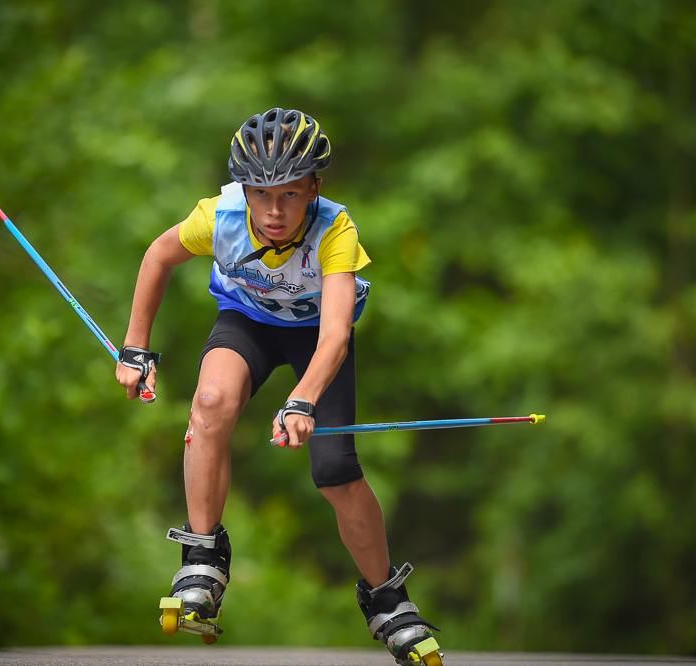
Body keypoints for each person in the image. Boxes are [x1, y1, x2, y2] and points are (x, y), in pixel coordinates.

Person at [116, 108, 443, 666]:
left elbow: (337, 332)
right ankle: (202, 557)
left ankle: (387, 599)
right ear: (244, 187)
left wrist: (302, 400)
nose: (273, 211)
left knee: (334, 471)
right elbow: (158, 256)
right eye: (261, 194)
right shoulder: (217, 215)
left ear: (316, 187)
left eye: (291, 195)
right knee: (209, 403)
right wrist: (135, 348)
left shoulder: (335, 229)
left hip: (316, 337)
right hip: (247, 321)